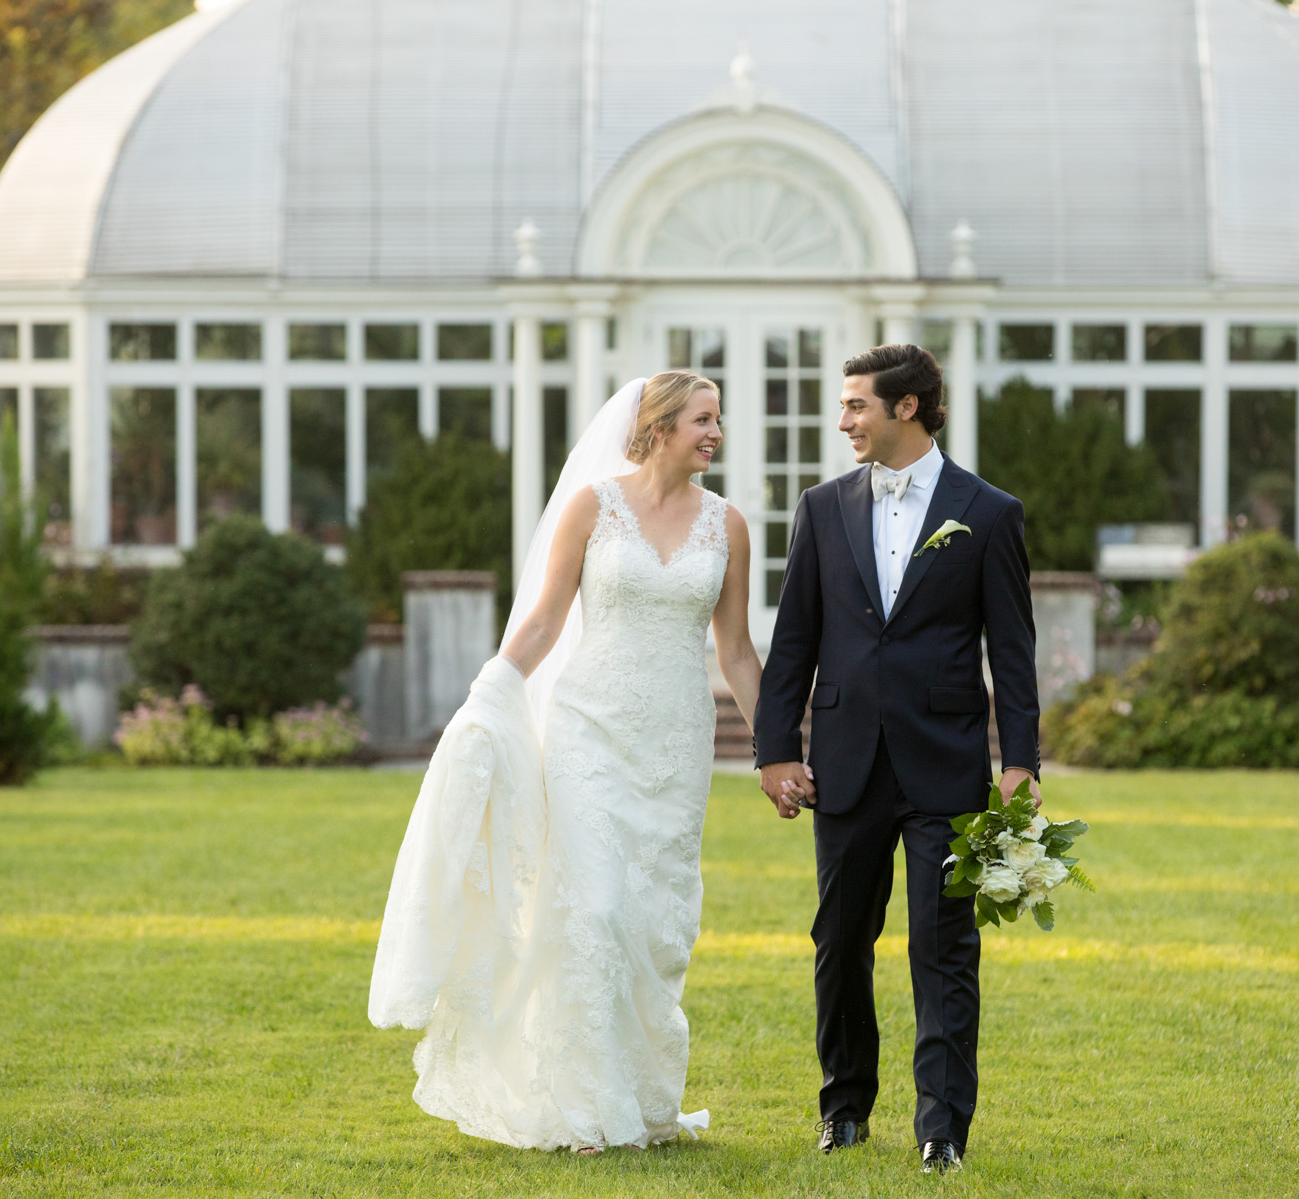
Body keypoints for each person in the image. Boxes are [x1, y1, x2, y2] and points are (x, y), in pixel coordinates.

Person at [368, 371, 760, 1154]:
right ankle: (586, 1108)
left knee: (655, 921)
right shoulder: (594, 507)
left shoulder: (730, 526)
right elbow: (546, 619)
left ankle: (645, 1099)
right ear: (657, 427)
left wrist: (778, 746)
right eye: (703, 420)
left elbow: (739, 652)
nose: (717, 434)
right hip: (587, 730)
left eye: (719, 421)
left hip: (674, 744)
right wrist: (494, 688)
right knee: (596, 907)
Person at [755, 342, 1041, 1175]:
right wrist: (777, 750)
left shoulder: (988, 512)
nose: (842, 420)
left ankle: (941, 1130)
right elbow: (795, 640)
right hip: (844, 763)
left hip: (946, 761)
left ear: (906, 407)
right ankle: (843, 1110)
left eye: (856, 406)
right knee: (840, 940)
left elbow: (1013, 651)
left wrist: (1018, 758)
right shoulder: (821, 506)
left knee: (942, 947)